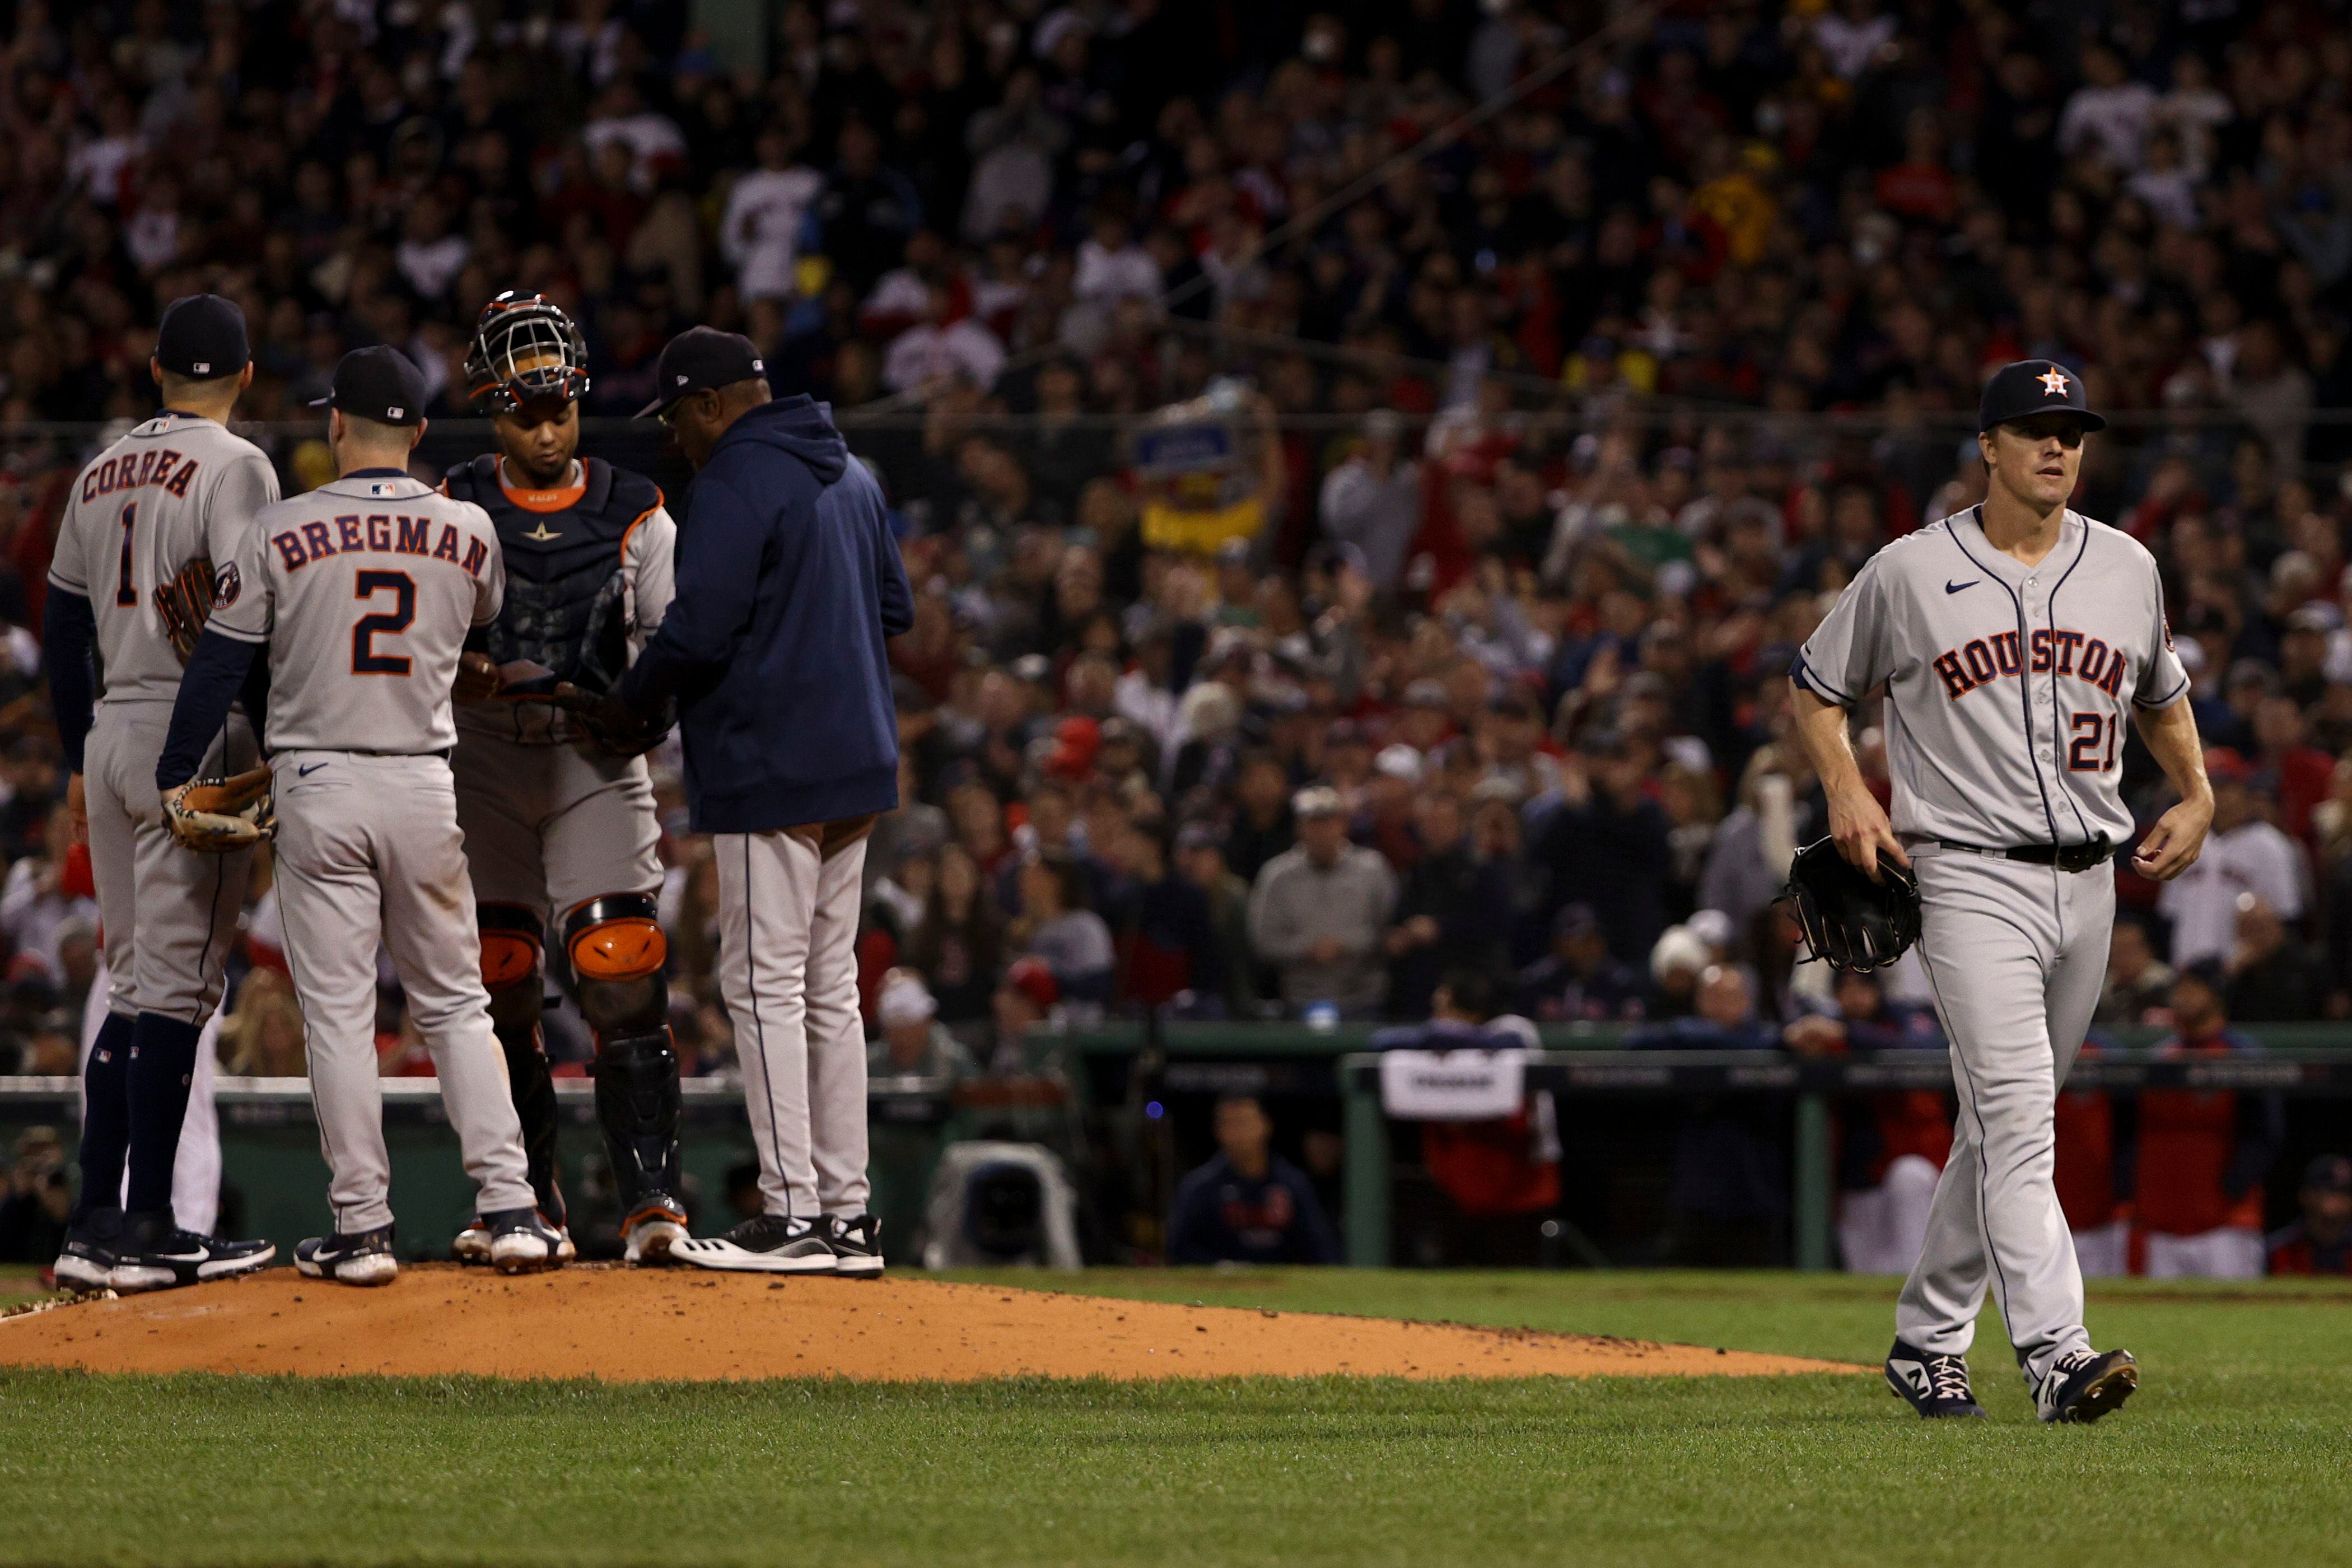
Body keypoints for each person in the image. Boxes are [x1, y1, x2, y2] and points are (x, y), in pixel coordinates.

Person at [1790, 360, 2210, 1423]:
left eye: (2071, 429)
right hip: (1968, 876)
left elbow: (2159, 694)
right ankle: (2057, 1356)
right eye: (2032, 428)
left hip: (2092, 885)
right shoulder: (1909, 570)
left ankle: (1926, 1341)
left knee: (1998, 1124)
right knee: (2021, 1117)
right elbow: (1816, 688)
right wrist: (1848, 789)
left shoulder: (2127, 566)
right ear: (1988, 446)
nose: (2056, 446)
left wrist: (2199, 791)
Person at [156, 346, 557, 1285]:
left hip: (319, 783)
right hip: (424, 780)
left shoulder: (277, 526)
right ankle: (511, 1207)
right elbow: (486, 632)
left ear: (336, 424)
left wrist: (180, 773)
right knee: (458, 1004)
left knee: (336, 1014)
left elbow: (222, 668)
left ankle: (363, 1230)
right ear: (418, 432)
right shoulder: (471, 528)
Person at [597, 327, 911, 1276]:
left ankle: (791, 1209)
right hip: (855, 761)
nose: (676, 440)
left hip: (769, 759)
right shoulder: (851, 473)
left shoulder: (736, 478)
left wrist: (625, 706)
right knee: (830, 989)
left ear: (708, 405)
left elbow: (698, 629)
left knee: (762, 982)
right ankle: (848, 1214)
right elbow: (892, 609)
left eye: (679, 419)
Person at [432, 292, 689, 1268]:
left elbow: (666, 648)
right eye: (524, 414)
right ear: (492, 412)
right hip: (486, 752)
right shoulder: (452, 501)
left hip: (593, 757)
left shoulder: (636, 507)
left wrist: (629, 707)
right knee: (498, 978)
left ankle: (653, 1197)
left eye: (559, 411)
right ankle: (523, 1197)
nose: (546, 432)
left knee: (620, 965)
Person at [39, 294, 279, 1293]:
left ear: (154, 370)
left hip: (108, 730)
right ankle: (149, 1227)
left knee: (132, 989)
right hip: (195, 728)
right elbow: (248, 614)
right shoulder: (239, 465)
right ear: (246, 376)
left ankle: (92, 1224)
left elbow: (58, 630)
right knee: (178, 994)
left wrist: (75, 756)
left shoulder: (97, 467)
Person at [2132, 961, 2283, 1280]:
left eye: (2194, 989)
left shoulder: (2242, 1055)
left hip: (2225, 1223)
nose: (2183, 997)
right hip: (2162, 1223)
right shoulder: (2158, 1058)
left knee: (2239, 1323)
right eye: (2180, 989)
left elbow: (2266, 1133)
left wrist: (2236, 1185)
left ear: (2216, 996)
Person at [1246, 785, 1397, 1018]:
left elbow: (1390, 932)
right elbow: (1263, 940)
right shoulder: (1277, 875)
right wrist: (1305, 949)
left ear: (1343, 825)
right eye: (1312, 823)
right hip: (1299, 999)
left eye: (1328, 822)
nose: (1321, 831)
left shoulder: (1372, 869)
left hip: (1364, 998)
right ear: (1299, 827)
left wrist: (1345, 945)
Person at [2156, 750, 2303, 968]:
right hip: (2188, 970)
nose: (2216, 795)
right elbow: (2170, 913)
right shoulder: (2183, 840)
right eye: (2207, 787)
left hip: (2246, 974)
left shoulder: (2272, 845)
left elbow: (2287, 918)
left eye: (2225, 786)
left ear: (2244, 790)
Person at [1166, 1095, 1341, 1265]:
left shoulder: (1293, 1184)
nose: (1237, 1134)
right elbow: (1180, 1250)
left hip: (1282, 1287)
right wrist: (1224, 1268)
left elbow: (1321, 1251)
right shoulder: (1200, 1187)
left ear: (1265, 1125)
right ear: (1217, 1130)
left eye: (1244, 1122)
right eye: (1228, 1123)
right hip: (1221, 1285)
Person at [866, 969, 979, 1085]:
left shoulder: (954, 1063)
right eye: (897, 1033)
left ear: (927, 1024)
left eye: (911, 1031)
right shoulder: (868, 1066)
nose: (904, 1040)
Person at [2266, 1154, 2352, 1275]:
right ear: (2305, 1195)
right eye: (2328, 1190)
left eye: (2344, 1192)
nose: (2336, 1198)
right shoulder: (2280, 1249)